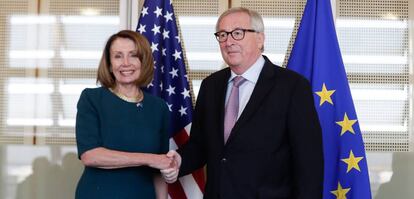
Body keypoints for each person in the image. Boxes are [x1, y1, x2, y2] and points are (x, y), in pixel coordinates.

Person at [162, 7, 324, 198]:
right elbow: (200, 145)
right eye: (222, 35)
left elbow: (309, 164)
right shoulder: (210, 86)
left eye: (237, 33)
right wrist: (179, 160)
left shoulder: (292, 87)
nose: (228, 42)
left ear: (260, 39)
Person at [75, 30, 174, 199]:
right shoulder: (91, 99)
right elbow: (90, 156)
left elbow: (159, 169)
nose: (126, 63)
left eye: (133, 55)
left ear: (144, 61)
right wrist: (150, 158)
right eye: (118, 56)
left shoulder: (159, 108)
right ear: (109, 63)